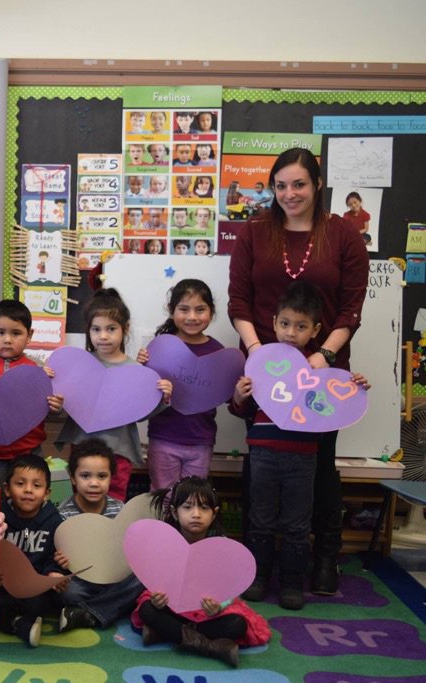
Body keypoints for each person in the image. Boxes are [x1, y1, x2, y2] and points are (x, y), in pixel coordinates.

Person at [227, 147, 369, 595]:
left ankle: (323, 557)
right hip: (264, 369)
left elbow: (351, 308)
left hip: (322, 369)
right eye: (281, 185)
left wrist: (322, 357)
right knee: (262, 467)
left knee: (318, 468)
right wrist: (259, 356)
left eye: (299, 184)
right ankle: (258, 564)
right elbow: (239, 301)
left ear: (317, 185)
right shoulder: (254, 232)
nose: (289, 193)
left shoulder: (344, 235)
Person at [230, 282, 370, 610]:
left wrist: (355, 387)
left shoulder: (319, 371)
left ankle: (292, 582)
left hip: (303, 458)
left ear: (315, 330)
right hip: (263, 454)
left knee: (296, 524)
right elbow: (238, 410)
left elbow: (336, 405)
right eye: (285, 324)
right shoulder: (260, 364)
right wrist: (240, 395)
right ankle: (259, 576)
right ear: (274, 321)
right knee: (260, 519)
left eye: (301, 326)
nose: (291, 333)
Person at [133, 477, 270, 667]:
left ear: (214, 514)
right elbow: (158, 579)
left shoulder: (221, 545)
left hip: (206, 611)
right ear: (174, 511)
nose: (196, 514)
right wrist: (158, 598)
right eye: (188, 507)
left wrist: (219, 605)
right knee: (148, 609)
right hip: (173, 606)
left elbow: (232, 584)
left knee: (238, 625)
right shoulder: (167, 541)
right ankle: (211, 647)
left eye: (204, 508)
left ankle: (164, 633)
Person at [54, 289, 172, 501]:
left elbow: (140, 412)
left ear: (124, 329)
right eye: (96, 329)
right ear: (88, 331)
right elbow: (67, 401)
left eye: (111, 329)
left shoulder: (136, 370)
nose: (103, 336)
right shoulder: (77, 365)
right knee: (80, 500)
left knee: (114, 501)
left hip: (119, 448)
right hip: (82, 446)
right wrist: (52, 389)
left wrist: (163, 396)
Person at [0, 300, 63, 486]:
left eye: (16, 333)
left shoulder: (38, 368)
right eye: (0, 332)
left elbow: (47, 408)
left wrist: (55, 407)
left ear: (29, 335)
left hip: (28, 451)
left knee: (28, 500)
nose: (7, 340)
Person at [137, 280, 224, 489]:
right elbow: (143, 399)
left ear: (211, 312)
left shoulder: (218, 352)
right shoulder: (160, 348)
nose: (192, 317)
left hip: (201, 440)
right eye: (184, 309)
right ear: (171, 310)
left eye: (200, 309)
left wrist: (239, 391)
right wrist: (139, 370)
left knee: (192, 499)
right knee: (162, 498)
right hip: (164, 437)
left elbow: (227, 395)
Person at [54, 439, 144, 632]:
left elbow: (128, 550)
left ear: (111, 478)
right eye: (85, 476)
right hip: (81, 581)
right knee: (67, 592)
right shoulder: (62, 513)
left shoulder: (119, 510)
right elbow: (58, 554)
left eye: (102, 476)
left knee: (142, 579)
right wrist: (59, 561)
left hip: (114, 577)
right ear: (72, 478)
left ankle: (89, 613)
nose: (94, 483)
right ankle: (110, 607)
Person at [0, 454, 67, 647]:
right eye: (20, 483)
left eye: (36, 486)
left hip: (35, 589)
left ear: (47, 493)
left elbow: (56, 554)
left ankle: (23, 620)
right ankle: (19, 624)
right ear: (7, 489)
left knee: (40, 602)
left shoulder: (54, 521)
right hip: (3, 588)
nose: (28, 490)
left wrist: (53, 572)